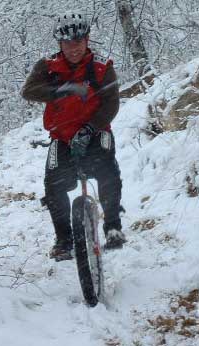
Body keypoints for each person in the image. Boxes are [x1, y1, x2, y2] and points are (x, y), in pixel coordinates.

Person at [21, 12, 126, 261]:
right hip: (62, 136)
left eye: (78, 42)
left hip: (96, 130)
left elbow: (111, 105)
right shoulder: (47, 66)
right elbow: (29, 91)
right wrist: (62, 89)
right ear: (60, 43)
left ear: (87, 40)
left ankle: (113, 227)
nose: (73, 48)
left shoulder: (102, 68)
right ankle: (64, 240)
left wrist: (90, 128)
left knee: (107, 171)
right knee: (53, 184)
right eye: (68, 43)